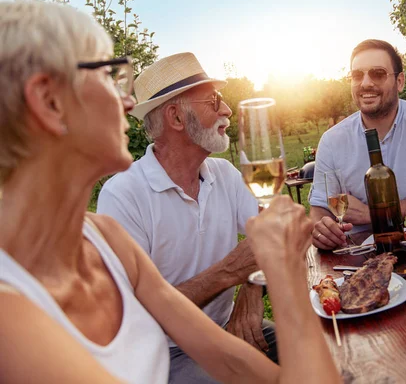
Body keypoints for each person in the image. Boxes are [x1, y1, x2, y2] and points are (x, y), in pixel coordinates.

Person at [0, 0, 340, 384]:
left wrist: (266, 274)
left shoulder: (107, 241)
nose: (127, 101)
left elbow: (243, 366)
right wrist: (277, 273)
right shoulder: (10, 315)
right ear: (49, 101)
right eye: (109, 75)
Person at [95, 51, 278, 382]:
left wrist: (250, 291)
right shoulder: (122, 196)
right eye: (213, 102)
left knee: (320, 353)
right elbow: (133, 317)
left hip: (224, 332)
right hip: (162, 352)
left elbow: (271, 231)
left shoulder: (223, 173)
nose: (226, 110)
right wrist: (228, 273)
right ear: (176, 118)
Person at [309, 39, 406, 250]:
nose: (366, 83)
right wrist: (322, 230)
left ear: (400, 82)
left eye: (378, 73)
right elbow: (319, 210)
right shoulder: (332, 140)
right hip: (357, 254)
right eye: (357, 75)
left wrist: (372, 214)